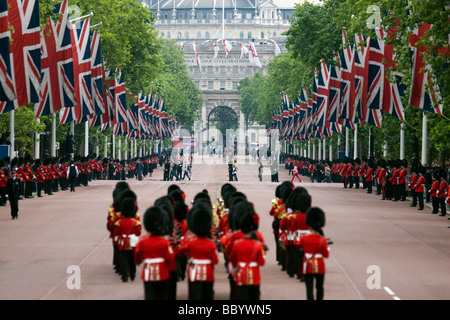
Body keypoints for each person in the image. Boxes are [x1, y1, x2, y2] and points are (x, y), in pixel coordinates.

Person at [178, 200, 219, 300]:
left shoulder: (191, 243)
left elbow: (181, 252)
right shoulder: (211, 244)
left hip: (193, 272)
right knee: (208, 295)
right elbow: (215, 261)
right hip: (208, 273)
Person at [134, 206, 175, 300]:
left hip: (148, 272)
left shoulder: (142, 241)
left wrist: (138, 261)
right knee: (162, 295)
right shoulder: (165, 242)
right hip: (162, 272)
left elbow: (137, 255)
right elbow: (170, 258)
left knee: (149, 295)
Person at [229, 207, 266, 300]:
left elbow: (233, 260)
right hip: (255, 275)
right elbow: (262, 262)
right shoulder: (258, 245)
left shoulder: (237, 244)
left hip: (241, 275)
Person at [297, 207, 330, 300]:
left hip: (308, 264)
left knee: (309, 288)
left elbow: (299, 246)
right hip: (320, 264)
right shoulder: (322, 239)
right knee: (320, 287)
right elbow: (326, 255)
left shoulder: (305, 238)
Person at [113, 197, 142, 282]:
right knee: (132, 259)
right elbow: (138, 233)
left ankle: (125, 275)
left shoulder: (119, 223)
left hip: (123, 243)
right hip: (132, 243)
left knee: (124, 259)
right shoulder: (136, 223)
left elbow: (116, 233)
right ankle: (132, 274)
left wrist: (116, 241)